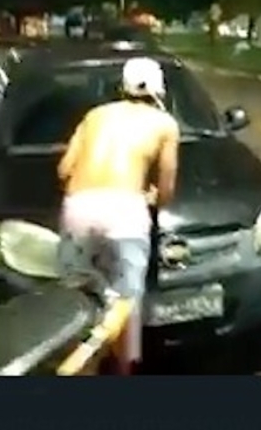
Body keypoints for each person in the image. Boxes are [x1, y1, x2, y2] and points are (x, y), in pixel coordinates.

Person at [55, 57, 180, 375]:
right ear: (158, 90)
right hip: (125, 211)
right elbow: (166, 189)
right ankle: (119, 368)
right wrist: (151, 196)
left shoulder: (94, 116)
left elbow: (64, 170)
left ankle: (76, 359)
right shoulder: (165, 124)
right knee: (126, 302)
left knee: (76, 297)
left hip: (78, 208)